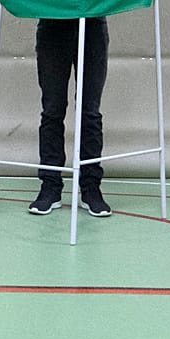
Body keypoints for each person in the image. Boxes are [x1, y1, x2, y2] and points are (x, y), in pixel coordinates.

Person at [28, 17, 111, 217]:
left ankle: (91, 188)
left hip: (93, 22)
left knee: (89, 112)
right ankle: (50, 186)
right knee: (52, 111)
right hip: (53, 20)